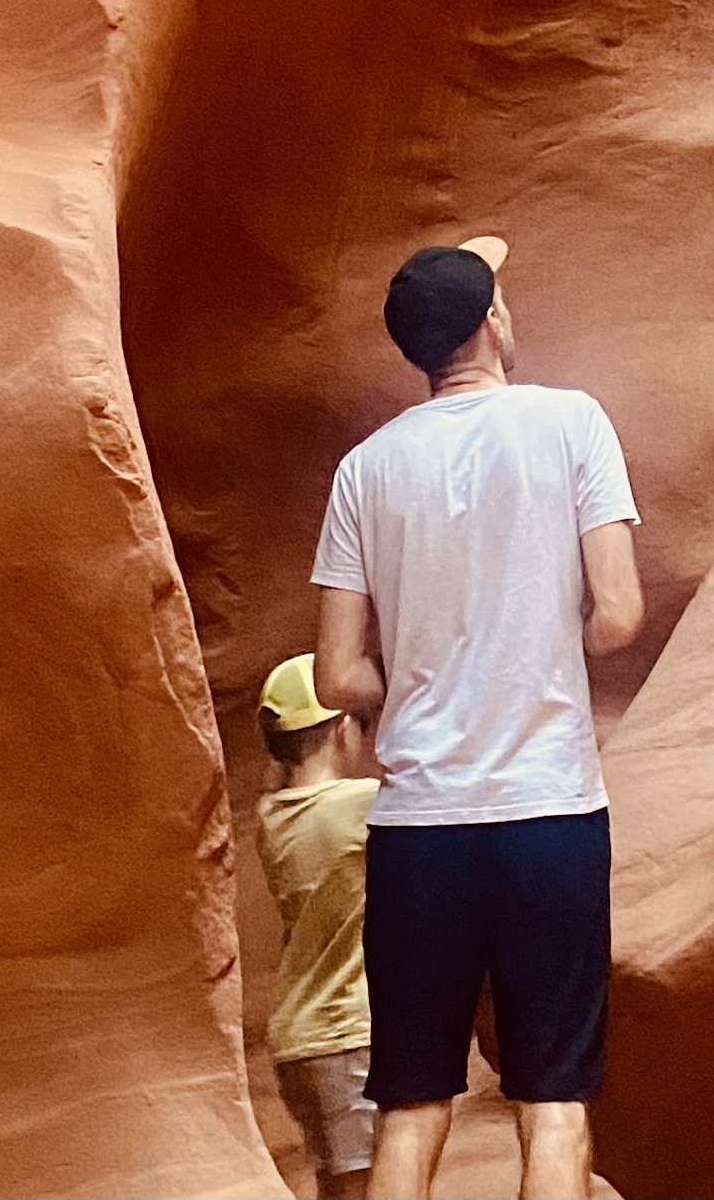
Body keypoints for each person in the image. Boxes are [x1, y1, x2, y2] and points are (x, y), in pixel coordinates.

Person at [312, 234, 643, 1200]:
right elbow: (618, 612)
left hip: (420, 830)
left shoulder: (362, 471)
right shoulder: (573, 423)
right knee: (553, 1102)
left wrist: (414, 676)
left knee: (412, 1106)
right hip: (548, 813)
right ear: (493, 320)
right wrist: (532, 646)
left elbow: (336, 672)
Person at [252, 654, 381, 1199]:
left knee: (340, 1184)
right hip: (344, 1033)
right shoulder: (358, 807)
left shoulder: (271, 817)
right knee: (372, 1185)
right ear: (344, 729)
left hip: (299, 1039)